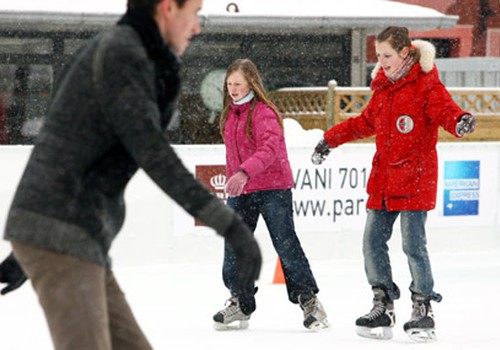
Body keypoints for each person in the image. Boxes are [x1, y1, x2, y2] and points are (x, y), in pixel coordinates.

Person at [0, 1, 261, 349]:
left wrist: (30, 243)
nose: (197, 26)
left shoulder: (138, 57)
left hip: (75, 234)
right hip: (65, 234)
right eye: (194, 11)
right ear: (168, 7)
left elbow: (78, 148)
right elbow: (152, 151)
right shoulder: (122, 52)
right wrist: (229, 225)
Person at [312, 26, 476, 342]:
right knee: (372, 242)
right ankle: (383, 303)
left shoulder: (426, 85)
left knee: (413, 245)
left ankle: (422, 307)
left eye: (387, 55)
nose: (382, 61)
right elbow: (363, 122)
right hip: (384, 179)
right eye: (379, 56)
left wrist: (459, 122)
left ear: (404, 53)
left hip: (415, 178)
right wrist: (329, 140)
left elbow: (446, 111)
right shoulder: (384, 89)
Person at [213, 58, 329, 332]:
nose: (233, 89)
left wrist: (243, 172)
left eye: (238, 83)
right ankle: (240, 301)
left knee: (285, 243)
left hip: (273, 187)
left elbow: (269, 149)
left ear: (251, 83)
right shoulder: (231, 114)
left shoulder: (264, 112)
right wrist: (238, 177)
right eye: (229, 83)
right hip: (243, 189)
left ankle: (310, 302)